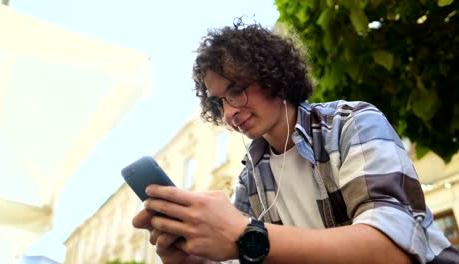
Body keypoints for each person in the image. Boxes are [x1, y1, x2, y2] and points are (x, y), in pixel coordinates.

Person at [132, 18, 459, 264]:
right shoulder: (252, 178)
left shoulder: (351, 123)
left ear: (273, 73)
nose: (230, 111)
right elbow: (246, 254)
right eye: (219, 102)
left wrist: (245, 234)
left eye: (236, 89)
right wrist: (192, 260)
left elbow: (392, 250)